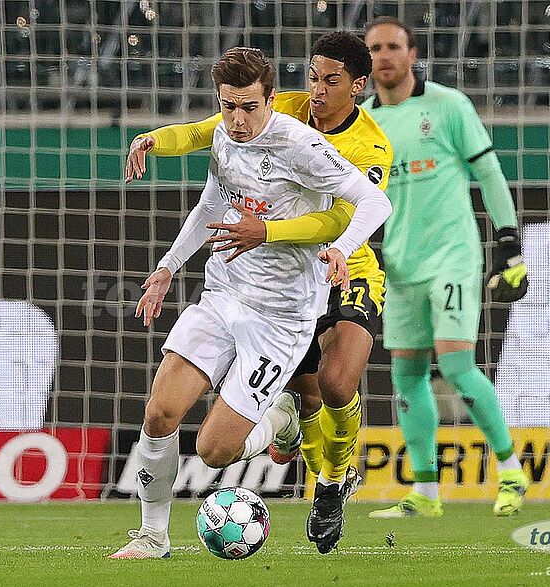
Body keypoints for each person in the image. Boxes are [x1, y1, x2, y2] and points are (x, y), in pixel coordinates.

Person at [110, 47, 391, 559]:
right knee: (160, 413)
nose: (237, 120)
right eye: (228, 106)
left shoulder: (302, 145)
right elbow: (210, 205)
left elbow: (375, 201)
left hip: (281, 317)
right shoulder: (224, 135)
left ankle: (283, 423)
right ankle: (152, 536)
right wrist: (168, 267)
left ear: (271, 100)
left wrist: (340, 247)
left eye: (248, 108)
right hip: (223, 294)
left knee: (213, 451)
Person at [359, 16, 530, 518]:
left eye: (393, 46)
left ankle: (511, 471)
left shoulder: (448, 105)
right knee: (407, 374)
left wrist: (509, 242)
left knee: (456, 365)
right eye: (374, 48)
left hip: (452, 257)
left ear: (413, 54)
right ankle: (425, 492)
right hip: (399, 265)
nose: (384, 56)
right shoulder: (363, 124)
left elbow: (489, 172)